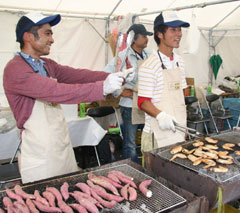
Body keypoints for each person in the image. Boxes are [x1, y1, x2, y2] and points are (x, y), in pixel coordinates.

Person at [3, 12, 133, 183]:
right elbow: (56, 91)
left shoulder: (47, 65)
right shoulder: (15, 69)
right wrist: (102, 88)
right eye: (47, 33)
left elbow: (78, 75)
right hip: (40, 154)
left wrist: (114, 76)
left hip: (62, 147)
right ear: (28, 36)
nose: (52, 39)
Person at [137, 11, 190, 163]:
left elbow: (181, 94)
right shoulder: (149, 66)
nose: (178, 34)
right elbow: (143, 102)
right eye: (173, 30)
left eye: (180, 29)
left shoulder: (180, 62)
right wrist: (161, 116)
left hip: (178, 131)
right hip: (156, 134)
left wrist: (183, 124)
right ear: (160, 33)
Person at [104, 24, 153, 163]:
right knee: (130, 143)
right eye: (144, 36)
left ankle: (147, 166)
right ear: (134, 39)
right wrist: (120, 92)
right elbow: (106, 74)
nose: (147, 39)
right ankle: (131, 171)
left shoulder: (150, 55)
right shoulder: (123, 56)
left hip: (146, 104)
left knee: (148, 137)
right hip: (129, 105)